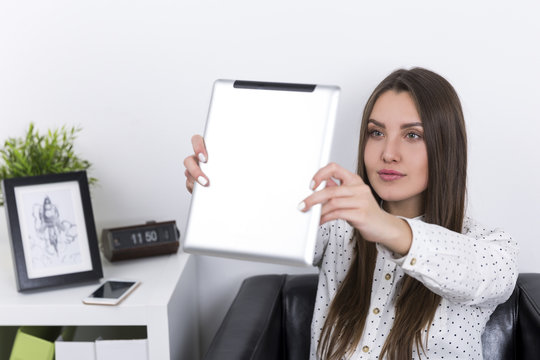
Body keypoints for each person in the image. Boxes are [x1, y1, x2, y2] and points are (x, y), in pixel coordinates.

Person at [183, 68, 518, 359]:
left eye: (412, 135)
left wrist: (383, 225)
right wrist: (219, 184)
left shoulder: (490, 248)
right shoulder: (337, 228)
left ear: (446, 147)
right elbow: (260, 222)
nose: (388, 153)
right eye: (376, 133)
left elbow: (477, 272)